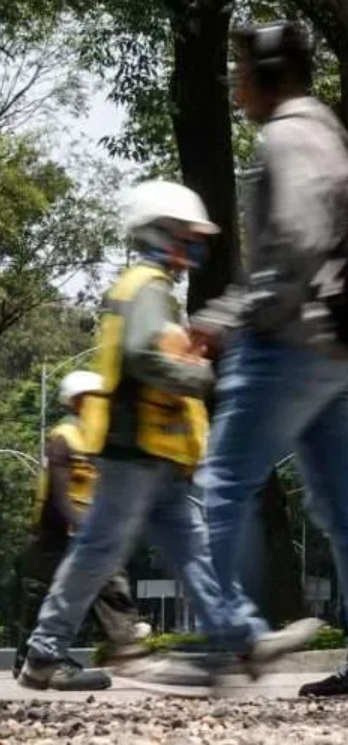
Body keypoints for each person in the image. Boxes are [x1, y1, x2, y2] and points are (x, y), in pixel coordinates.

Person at [18, 180, 318, 693]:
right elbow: (143, 356)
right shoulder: (146, 287)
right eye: (186, 235)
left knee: (195, 551)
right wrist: (198, 376)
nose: (195, 247)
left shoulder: (153, 287)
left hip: (158, 455)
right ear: (159, 234)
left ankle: (239, 641)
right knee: (100, 550)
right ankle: (45, 650)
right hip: (132, 450)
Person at [189, 20, 348, 698]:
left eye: (239, 72)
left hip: (284, 342)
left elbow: (297, 236)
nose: (233, 84)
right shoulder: (328, 131)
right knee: (345, 506)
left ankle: (227, 640)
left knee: (219, 486)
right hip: (336, 350)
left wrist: (236, 315)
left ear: (262, 74)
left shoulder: (286, 135)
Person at [11, 371, 149, 683]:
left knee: (109, 580)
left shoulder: (99, 440)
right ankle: (34, 660)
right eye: (94, 399)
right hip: (54, 535)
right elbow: (59, 496)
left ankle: (126, 644)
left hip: (85, 531)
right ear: (77, 402)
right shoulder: (65, 438)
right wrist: (81, 524)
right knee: (43, 599)